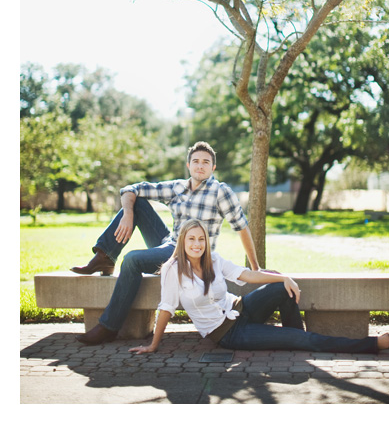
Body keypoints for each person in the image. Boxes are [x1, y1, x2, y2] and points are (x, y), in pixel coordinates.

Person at [72, 141, 261, 345]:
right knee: (138, 202)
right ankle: (105, 256)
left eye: (205, 162)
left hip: (191, 256)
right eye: (195, 161)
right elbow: (131, 189)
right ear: (188, 165)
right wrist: (127, 213)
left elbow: (242, 227)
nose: (200, 166)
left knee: (132, 260)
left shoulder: (220, 192)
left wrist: (256, 267)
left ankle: (109, 327)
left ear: (213, 167)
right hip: (171, 242)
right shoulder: (178, 187)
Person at [129, 220, 389, 354]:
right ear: (183, 242)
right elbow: (165, 308)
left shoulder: (214, 260)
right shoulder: (172, 270)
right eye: (191, 239)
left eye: (201, 239)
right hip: (228, 334)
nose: (197, 244)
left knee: (285, 290)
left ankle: (297, 339)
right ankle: (371, 344)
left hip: (242, 308)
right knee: (301, 339)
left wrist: (282, 278)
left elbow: (245, 275)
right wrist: (153, 345)